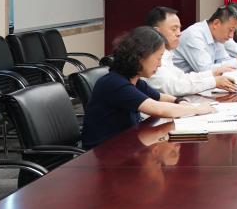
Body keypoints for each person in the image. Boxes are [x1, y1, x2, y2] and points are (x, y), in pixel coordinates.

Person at [82, 26, 215, 149]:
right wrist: (197, 109)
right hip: (103, 152)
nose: (160, 64)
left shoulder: (134, 80)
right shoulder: (115, 83)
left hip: (125, 143)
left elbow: (160, 97)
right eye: (158, 58)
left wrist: (179, 101)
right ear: (141, 56)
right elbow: (158, 109)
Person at [143, 6, 237, 95]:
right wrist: (213, 82)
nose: (179, 33)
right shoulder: (149, 56)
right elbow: (173, 87)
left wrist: (212, 73)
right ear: (157, 32)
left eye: (179, 29)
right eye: (174, 29)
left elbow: (182, 77)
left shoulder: (167, 53)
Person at [174, 4, 237, 72]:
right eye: (230, 30)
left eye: (234, 31)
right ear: (216, 23)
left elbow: (223, 60)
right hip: (179, 84)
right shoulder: (194, 35)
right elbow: (206, 70)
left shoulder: (217, 37)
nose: (231, 36)